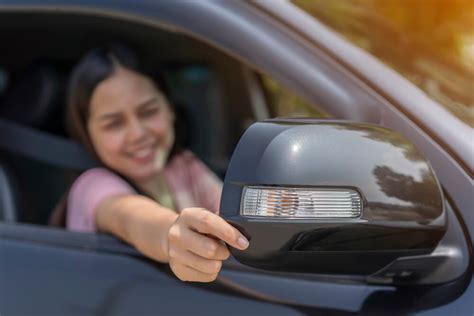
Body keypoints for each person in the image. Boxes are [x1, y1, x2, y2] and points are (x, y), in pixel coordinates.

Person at [65, 46, 249, 282]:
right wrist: (171, 234)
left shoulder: (185, 166)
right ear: (87, 134)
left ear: (170, 109)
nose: (137, 134)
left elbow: (234, 216)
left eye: (149, 111)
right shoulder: (91, 187)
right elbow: (129, 217)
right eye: (113, 124)